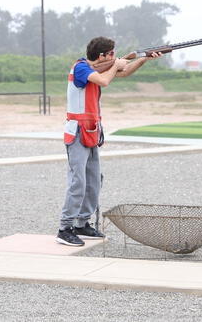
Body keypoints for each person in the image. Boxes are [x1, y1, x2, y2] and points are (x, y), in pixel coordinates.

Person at [57, 36, 161, 246]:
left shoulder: (97, 68)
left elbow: (124, 72)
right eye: (111, 54)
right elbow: (105, 79)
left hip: (92, 132)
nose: (114, 57)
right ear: (102, 55)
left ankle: (81, 224)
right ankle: (64, 228)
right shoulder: (81, 68)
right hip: (77, 132)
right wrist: (117, 65)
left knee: (94, 181)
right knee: (78, 182)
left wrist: (143, 59)